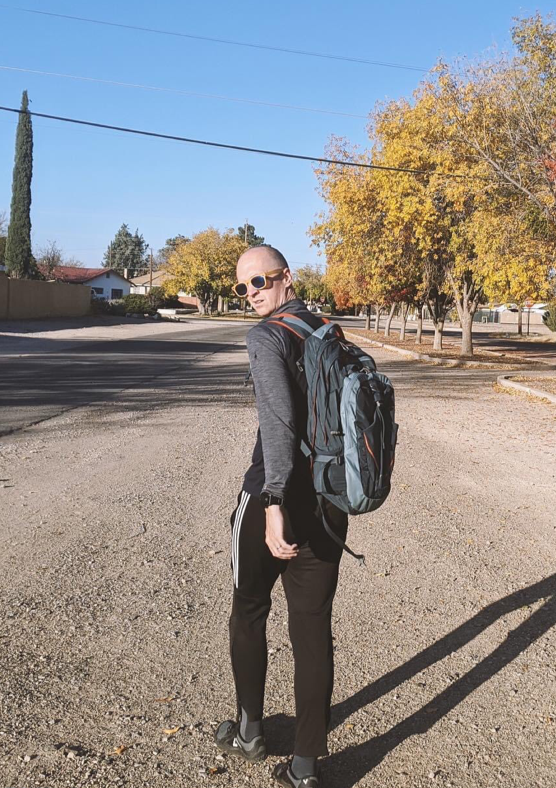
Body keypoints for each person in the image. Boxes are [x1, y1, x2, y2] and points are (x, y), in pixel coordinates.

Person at [214, 244, 348, 788]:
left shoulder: (265, 337)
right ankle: (306, 764)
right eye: (242, 288)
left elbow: (278, 424)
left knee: (249, 608)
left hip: (276, 502)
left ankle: (250, 731)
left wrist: (272, 505)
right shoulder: (327, 331)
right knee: (312, 629)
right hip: (331, 502)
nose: (251, 295)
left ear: (286, 277)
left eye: (261, 281)